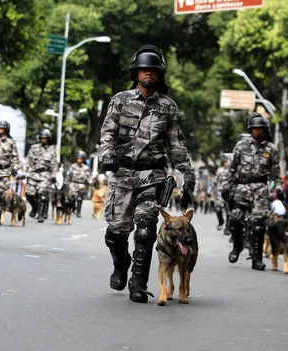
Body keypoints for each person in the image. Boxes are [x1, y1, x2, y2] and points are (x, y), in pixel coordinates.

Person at [100, 45, 195, 303]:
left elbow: (176, 144)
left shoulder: (168, 107)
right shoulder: (120, 100)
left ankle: (138, 285)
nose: (148, 74)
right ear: (136, 73)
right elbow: (107, 132)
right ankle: (121, 263)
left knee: (146, 230)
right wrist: (106, 154)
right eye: (144, 70)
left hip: (152, 175)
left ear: (159, 74)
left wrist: (187, 174)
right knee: (116, 231)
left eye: (153, 70)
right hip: (121, 174)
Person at [222, 113, 282, 271]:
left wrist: (279, 187)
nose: (257, 131)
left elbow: (276, 174)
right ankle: (237, 247)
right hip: (241, 188)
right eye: (254, 128)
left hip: (260, 191)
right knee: (234, 220)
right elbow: (231, 169)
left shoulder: (271, 149)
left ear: (264, 130)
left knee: (259, 226)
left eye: (260, 128)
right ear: (250, 129)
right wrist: (225, 186)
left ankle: (257, 259)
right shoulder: (241, 146)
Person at [26, 129, 58, 223]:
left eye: (45, 138)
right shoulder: (33, 147)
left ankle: (40, 215)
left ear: (48, 138)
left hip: (45, 175)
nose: (43, 139)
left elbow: (54, 165)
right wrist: (24, 171)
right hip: (34, 173)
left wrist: (53, 176)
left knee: (41, 193)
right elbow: (28, 161)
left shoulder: (52, 149)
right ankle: (34, 208)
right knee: (29, 193)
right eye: (42, 138)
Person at [66, 151, 91, 218]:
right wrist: (66, 183)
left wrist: (89, 183)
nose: (79, 160)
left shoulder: (86, 167)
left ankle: (78, 212)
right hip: (73, 184)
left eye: (81, 158)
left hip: (81, 185)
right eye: (78, 158)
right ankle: (73, 208)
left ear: (83, 159)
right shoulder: (73, 166)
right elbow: (69, 175)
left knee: (79, 199)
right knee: (73, 197)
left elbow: (88, 177)